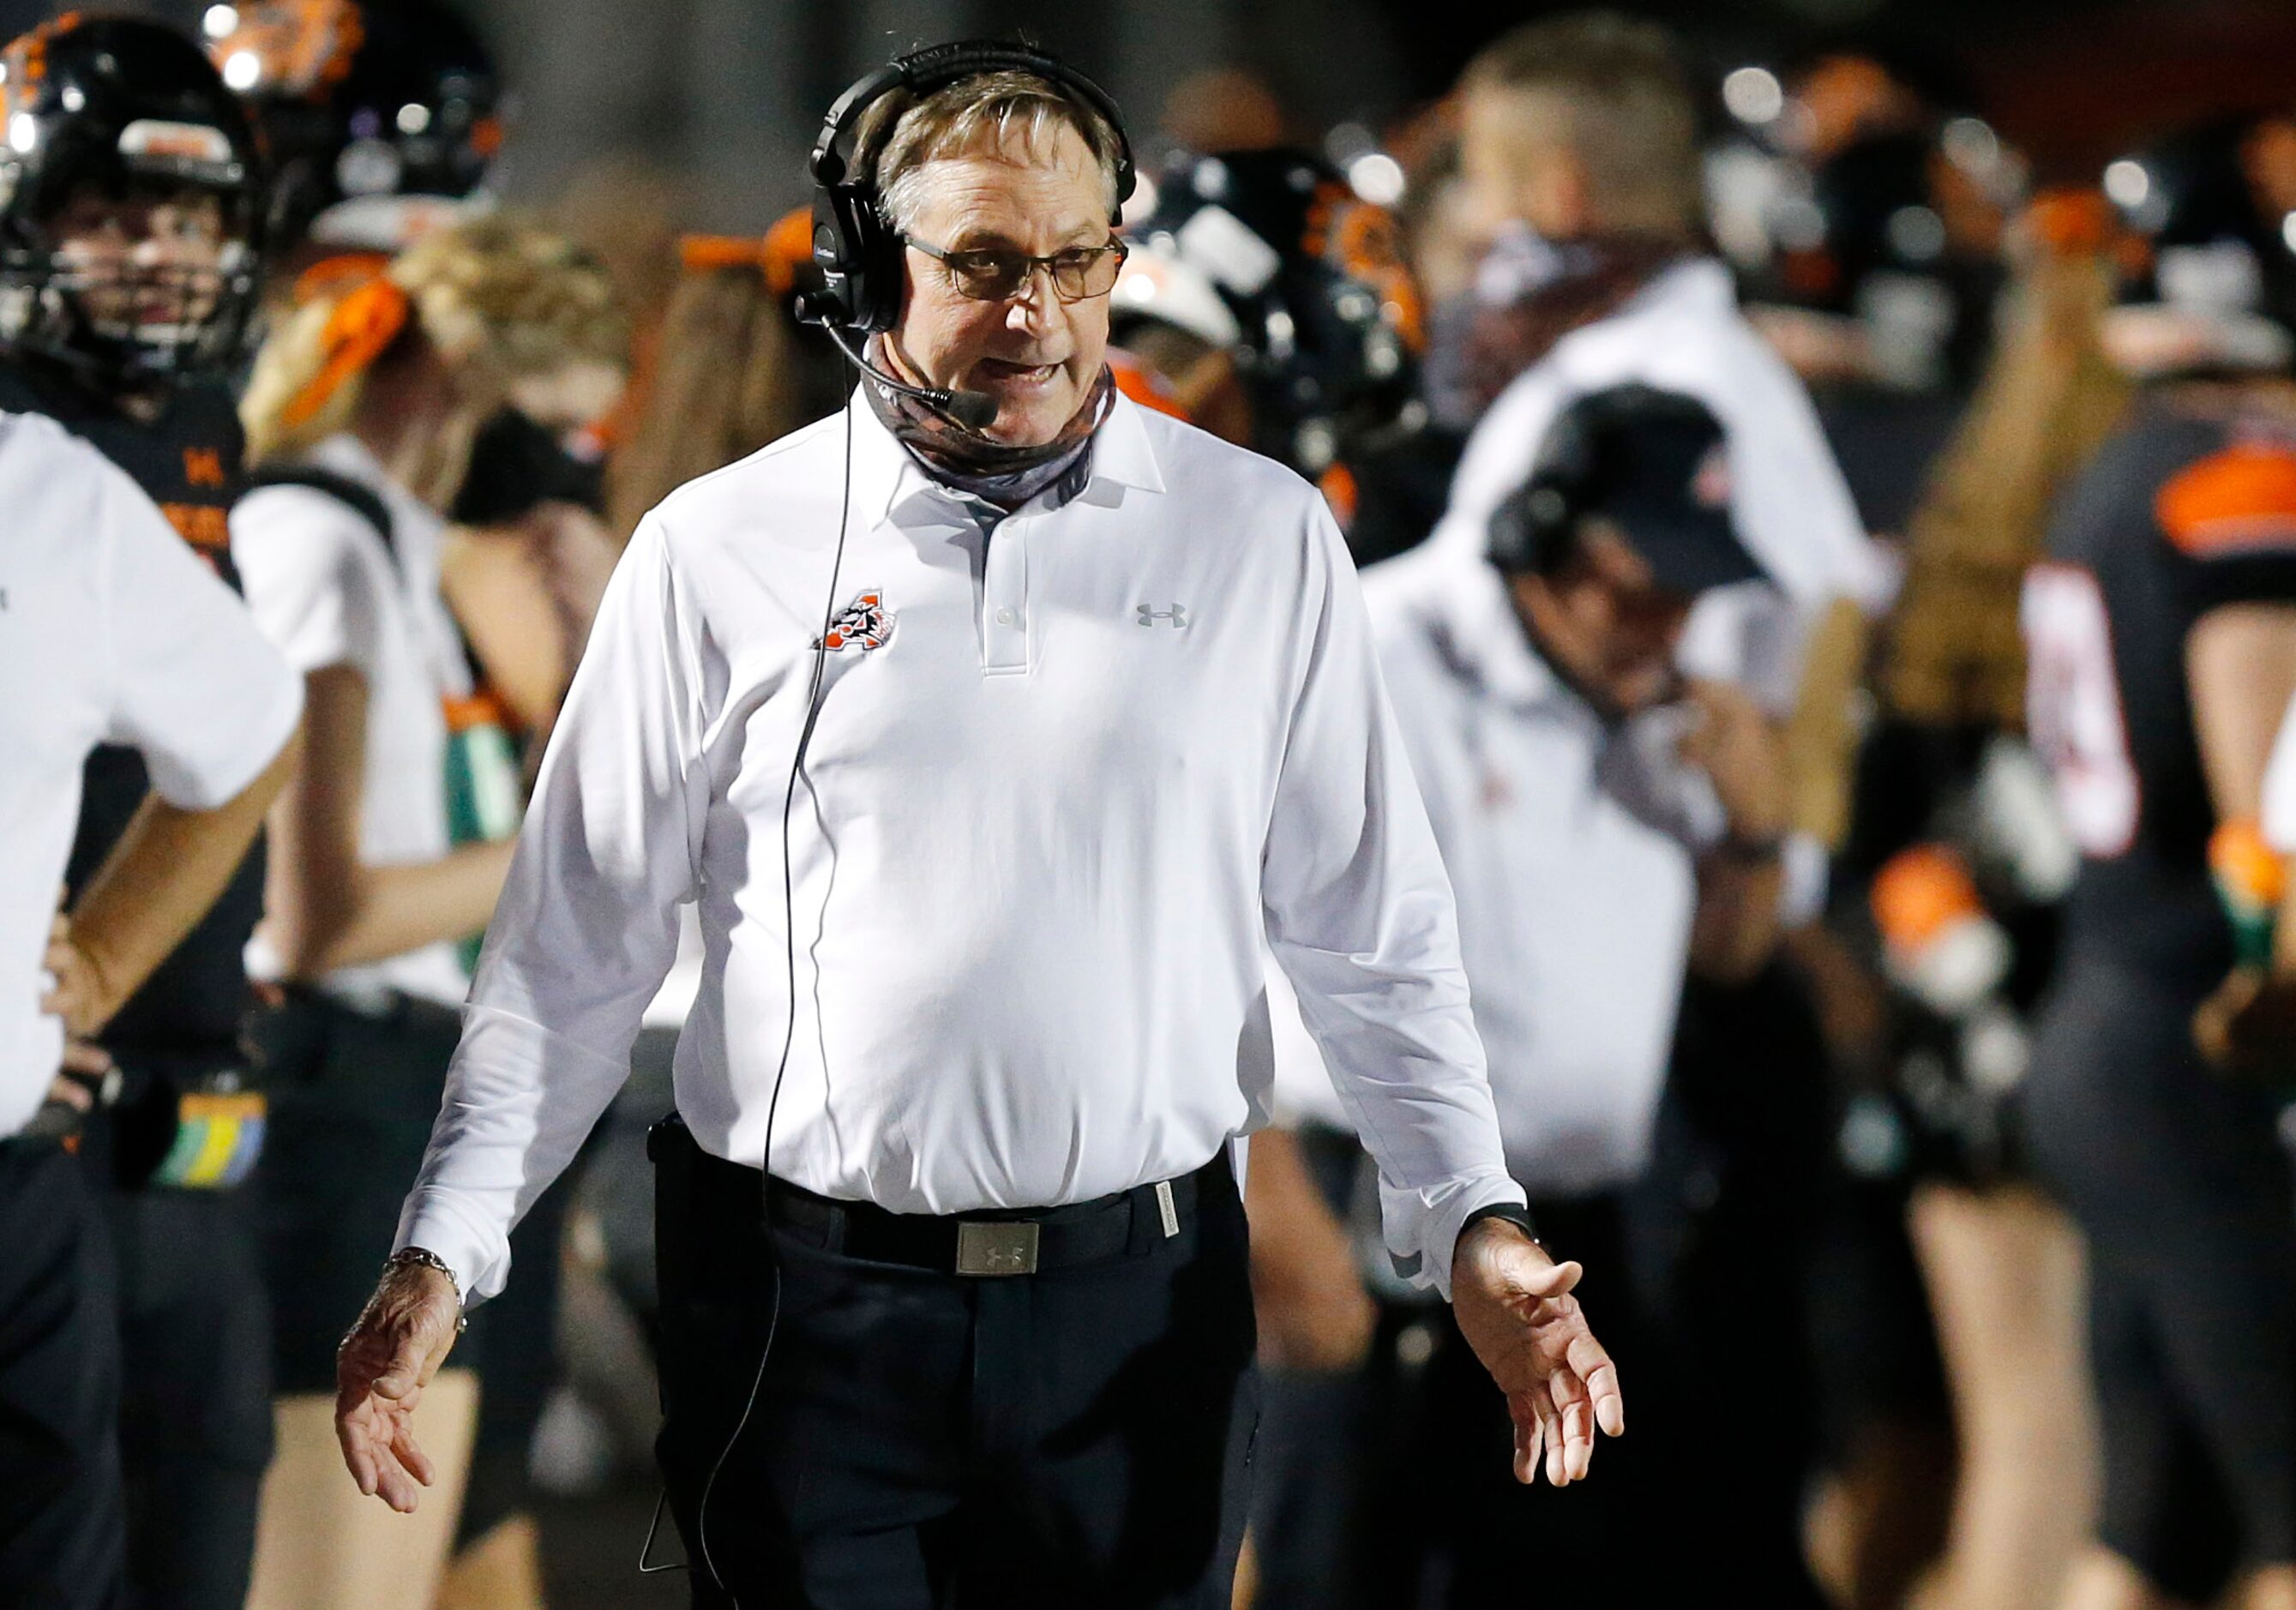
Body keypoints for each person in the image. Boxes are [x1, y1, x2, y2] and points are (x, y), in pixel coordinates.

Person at [334, 44, 1621, 1610]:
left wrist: (1469, 1214)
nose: (1041, 314)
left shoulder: (1257, 532)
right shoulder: (718, 548)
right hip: (809, 1320)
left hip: (1139, 1315)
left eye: (1080, 262)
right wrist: (441, 1252)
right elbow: (568, 958)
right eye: (985, 265)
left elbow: (1372, 936)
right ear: (864, 271)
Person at [229, 213, 626, 1610]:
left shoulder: (399, 541)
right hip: (341, 1101)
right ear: (467, 376)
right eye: (554, 429)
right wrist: (573, 857)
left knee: (460, 1563)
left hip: (418, 1093)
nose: (564, 469)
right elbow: (314, 913)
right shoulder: (318, 536)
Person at [0, 15, 290, 1607]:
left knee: (196, 1526)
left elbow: (246, 739)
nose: (158, 256)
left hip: (191, 1106)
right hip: (50, 1132)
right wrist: (69, 978)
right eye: (111, 215)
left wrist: (125, 961)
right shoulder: (22, 457)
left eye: (186, 220)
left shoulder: (196, 435)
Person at [2021, 115, 2296, 1610]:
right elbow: (2273, 810)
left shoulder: (2114, 468)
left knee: (2147, 1530)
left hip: (2104, 1019)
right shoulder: (2238, 475)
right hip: (2202, 1040)